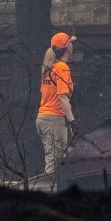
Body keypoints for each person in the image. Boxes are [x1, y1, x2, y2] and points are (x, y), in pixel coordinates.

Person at [36, 32, 77, 188]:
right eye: (71, 43)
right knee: (57, 161)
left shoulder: (48, 67)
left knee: (51, 158)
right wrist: (72, 120)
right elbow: (62, 97)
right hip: (54, 119)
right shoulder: (62, 68)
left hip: (42, 118)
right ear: (66, 47)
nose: (72, 45)